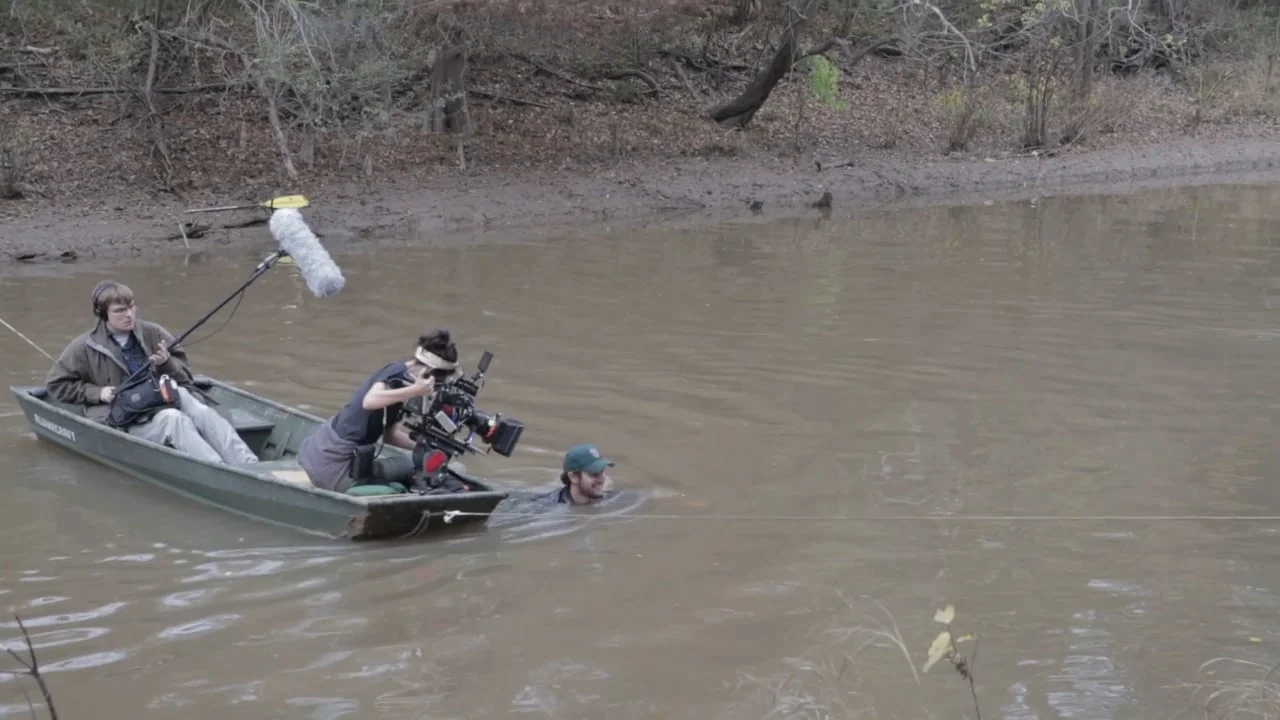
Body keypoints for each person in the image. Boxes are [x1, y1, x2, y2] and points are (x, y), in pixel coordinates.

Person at [45, 280, 259, 465]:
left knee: (197, 407)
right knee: (173, 419)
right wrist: (97, 393)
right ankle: (219, 470)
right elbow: (56, 386)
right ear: (102, 315)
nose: (128, 315)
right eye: (119, 311)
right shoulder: (84, 346)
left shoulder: (153, 332)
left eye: (131, 307)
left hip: (161, 399)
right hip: (124, 417)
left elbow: (185, 378)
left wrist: (166, 363)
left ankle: (248, 465)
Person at [298, 329, 460, 492]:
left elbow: (390, 436)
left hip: (330, 458)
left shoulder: (401, 386)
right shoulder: (396, 372)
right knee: (399, 485)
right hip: (335, 468)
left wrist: (425, 447)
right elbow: (369, 401)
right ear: (428, 372)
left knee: (411, 464)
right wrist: (416, 390)